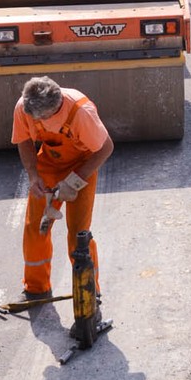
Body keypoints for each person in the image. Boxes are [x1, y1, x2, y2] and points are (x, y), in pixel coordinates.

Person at [12, 75, 114, 306]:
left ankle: (90, 293)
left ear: (55, 108)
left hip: (83, 165)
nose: (38, 121)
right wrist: (33, 175)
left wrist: (75, 182)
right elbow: (24, 140)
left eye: (44, 118)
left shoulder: (80, 112)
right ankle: (36, 290)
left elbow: (106, 147)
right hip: (48, 164)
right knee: (35, 228)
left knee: (79, 234)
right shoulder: (24, 107)